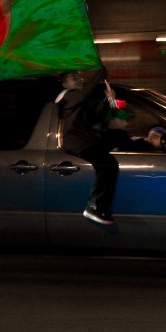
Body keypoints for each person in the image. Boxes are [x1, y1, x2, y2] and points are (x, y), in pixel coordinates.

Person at [57, 68, 118, 225]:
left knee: (108, 160)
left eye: (79, 77)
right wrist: (100, 73)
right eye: (73, 78)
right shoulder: (68, 97)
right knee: (107, 164)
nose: (78, 80)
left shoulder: (80, 100)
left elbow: (96, 115)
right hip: (77, 143)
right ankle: (94, 207)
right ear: (65, 84)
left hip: (86, 141)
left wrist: (108, 100)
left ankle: (98, 206)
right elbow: (85, 94)